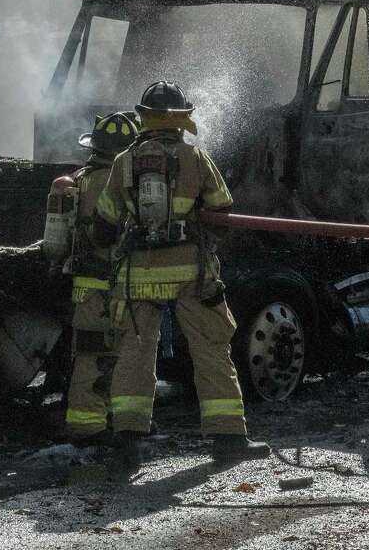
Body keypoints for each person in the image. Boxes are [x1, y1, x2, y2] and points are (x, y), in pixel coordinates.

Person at [92, 80, 270, 468]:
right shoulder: (196, 158)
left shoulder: (123, 162)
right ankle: (228, 440)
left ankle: (128, 441)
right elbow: (222, 212)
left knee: (135, 355)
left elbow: (103, 226)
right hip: (193, 272)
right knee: (211, 348)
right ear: (181, 119)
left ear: (144, 117)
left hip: (137, 275)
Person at [49, 112, 138, 443]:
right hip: (108, 282)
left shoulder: (80, 178)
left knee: (99, 354)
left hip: (87, 284)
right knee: (99, 355)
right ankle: (87, 428)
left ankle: (103, 421)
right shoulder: (113, 182)